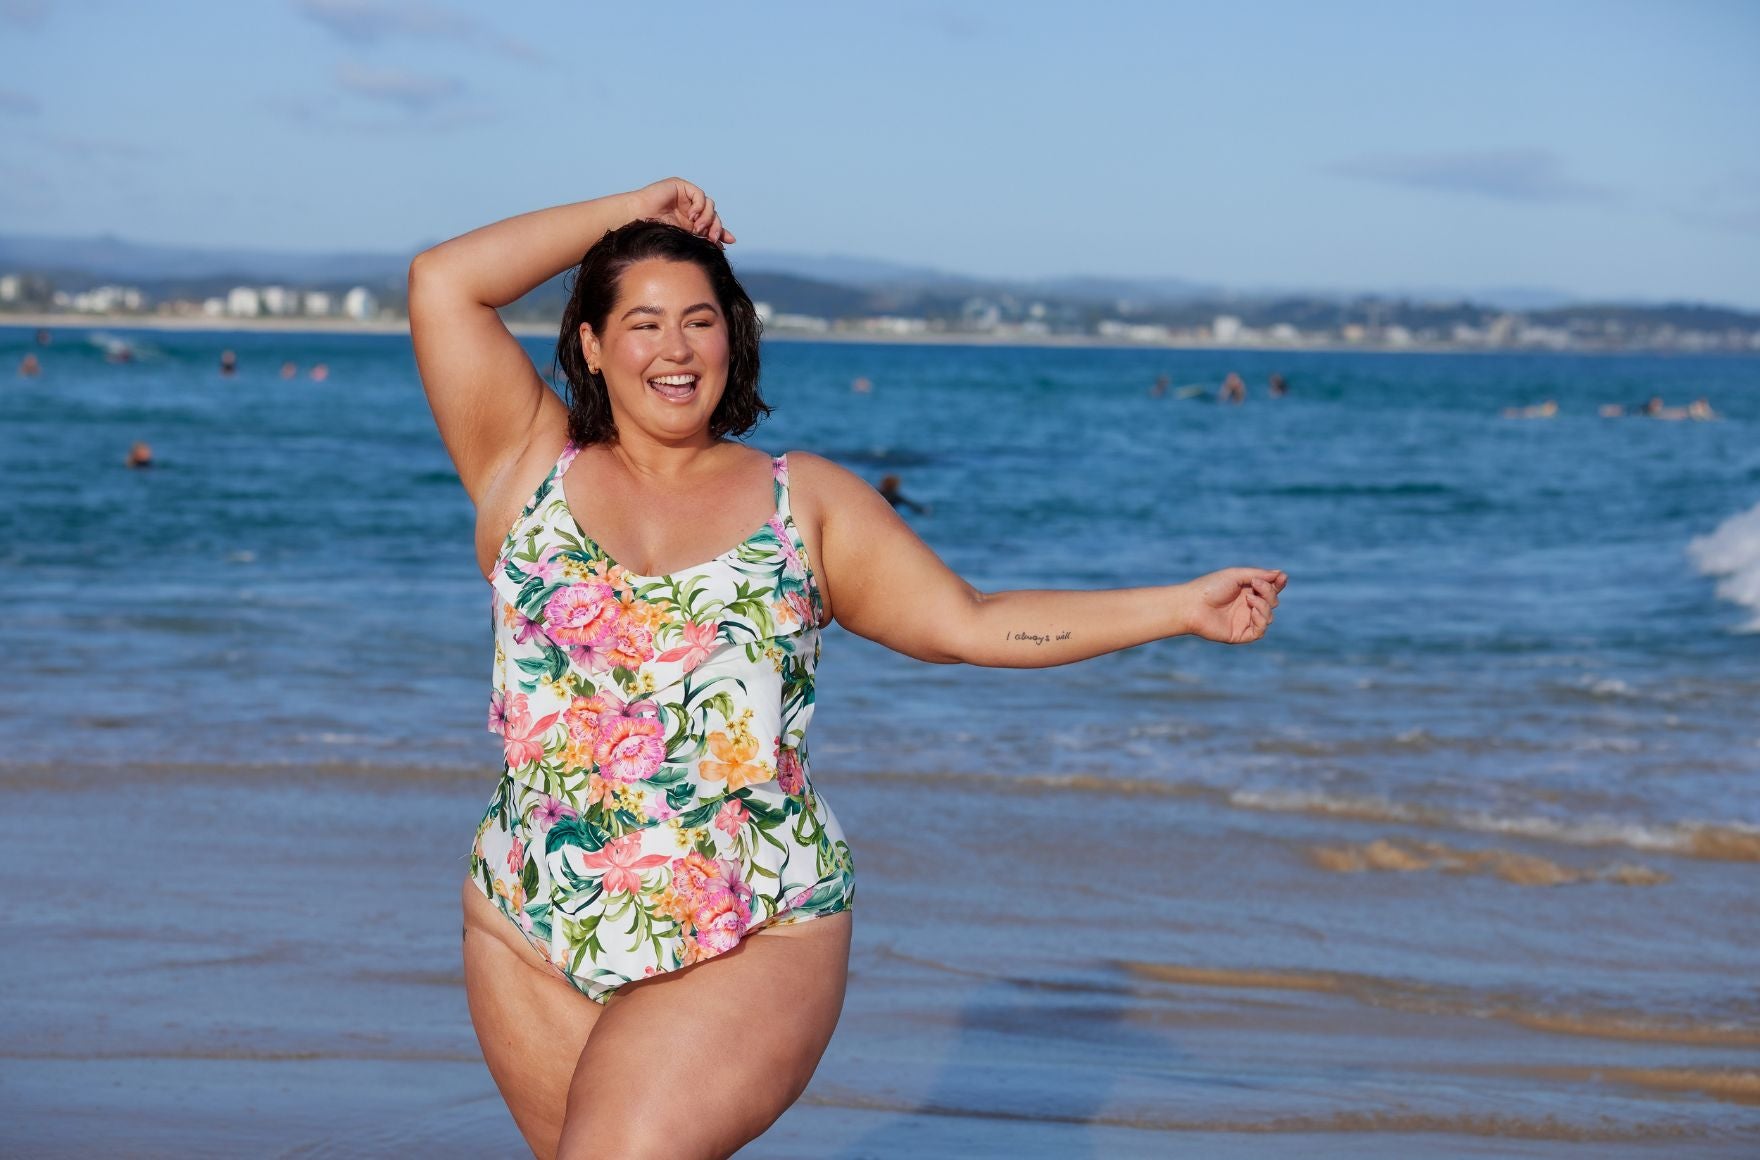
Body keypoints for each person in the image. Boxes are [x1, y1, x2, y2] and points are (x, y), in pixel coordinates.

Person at [408, 176, 1286, 1160]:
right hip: (527, 923)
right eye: (643, 321)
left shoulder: (803, 502)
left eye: (699, 320)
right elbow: (444, 281)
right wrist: (628, 213)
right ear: (591, 344)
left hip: (751, 925)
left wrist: (1175, 606)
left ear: (731, 339)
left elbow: (969, 621)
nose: (673, 346)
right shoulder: (523, 464)